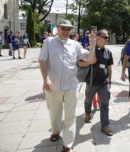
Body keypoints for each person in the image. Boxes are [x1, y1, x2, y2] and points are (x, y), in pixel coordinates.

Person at [38, 19, 96, 152]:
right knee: (54, 112)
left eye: (68, 29)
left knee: (70, 115)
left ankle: (68, 144)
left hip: (71, 85)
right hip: (52, 86)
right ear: (58, 28)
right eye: (63, 28)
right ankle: (55, 131)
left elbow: (90, 59)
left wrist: (92, 46)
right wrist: (45, 79)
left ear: (71, 30)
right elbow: (42, 60)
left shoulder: (75, 44)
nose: (65, 31)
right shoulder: (49, 42)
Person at [79, 29, 114, 136]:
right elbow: (80, 64)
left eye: (107, 37)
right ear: (97, 38)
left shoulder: (108, 52)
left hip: (104, 82)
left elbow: (109, 67)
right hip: (91, 82)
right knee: (88, 100)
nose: (107, 39)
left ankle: (105, 125)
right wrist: (89, 61)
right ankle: (88, 113)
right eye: (105, 37)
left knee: (105, 103)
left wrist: (110, 81)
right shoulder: (89, 49)